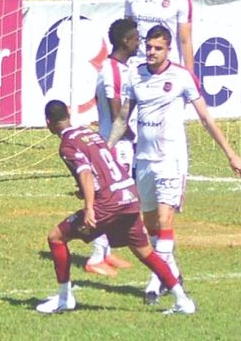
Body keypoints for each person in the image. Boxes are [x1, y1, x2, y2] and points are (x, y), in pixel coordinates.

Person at [107, 25, 241, 304]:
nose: (151, 52)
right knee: (149, 224)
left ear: (168, 49)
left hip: (171, 159)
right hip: (143, 159)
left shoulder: (181, 77)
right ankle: (173, 273)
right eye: (148, 47)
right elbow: (123, 118)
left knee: (164, 219)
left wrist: (231, 154)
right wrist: (106, 149)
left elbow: (206, 118)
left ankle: (154, 282)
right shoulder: (136, 75)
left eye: (157, 48)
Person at [37, 99, 195, 315]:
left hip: (107, 203)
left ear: (48, 122)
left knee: (56, 237)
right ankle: (182, 300)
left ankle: (64, 298)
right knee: (145, 251)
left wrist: (90, 206)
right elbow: (102, 165)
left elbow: (85, 172)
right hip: (129, 195)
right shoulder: (89, 133)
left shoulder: (67, 145)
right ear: (69, 115)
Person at [83, 18, 141, 277]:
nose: (139, 42)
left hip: (120, 143)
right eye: (136, 38)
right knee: (110, 200)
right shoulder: (112, 70)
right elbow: (115, 105)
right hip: (114, 144)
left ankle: (105, 252)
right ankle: (96, 256)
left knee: (117, 200)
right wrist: (126, 131)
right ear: (125, 41)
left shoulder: (120, 67)